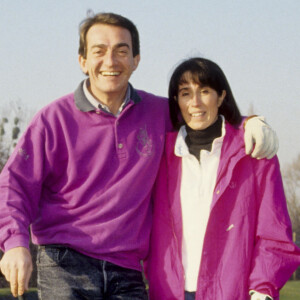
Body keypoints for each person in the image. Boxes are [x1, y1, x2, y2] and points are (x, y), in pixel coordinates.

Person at [0, 13, 278, 299]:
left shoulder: (158, 113)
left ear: (136, 60)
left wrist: (250, 123)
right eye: (99, 51)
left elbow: (203, 116)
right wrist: (15, 243)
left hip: (128, 267)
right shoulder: (53, 119)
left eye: (122, 50)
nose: (111, 61)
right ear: (82, 61)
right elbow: (14, 185)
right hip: (66, 263)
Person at [144, 57, 300, 300]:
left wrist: (263, 289)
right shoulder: (158, 155)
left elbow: (274, 232)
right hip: (168, 293)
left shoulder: (253, 154)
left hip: (232, 293)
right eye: (186, 93)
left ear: (221, 96)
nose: (195, 102)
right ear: (176, 101)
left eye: (204, 91)